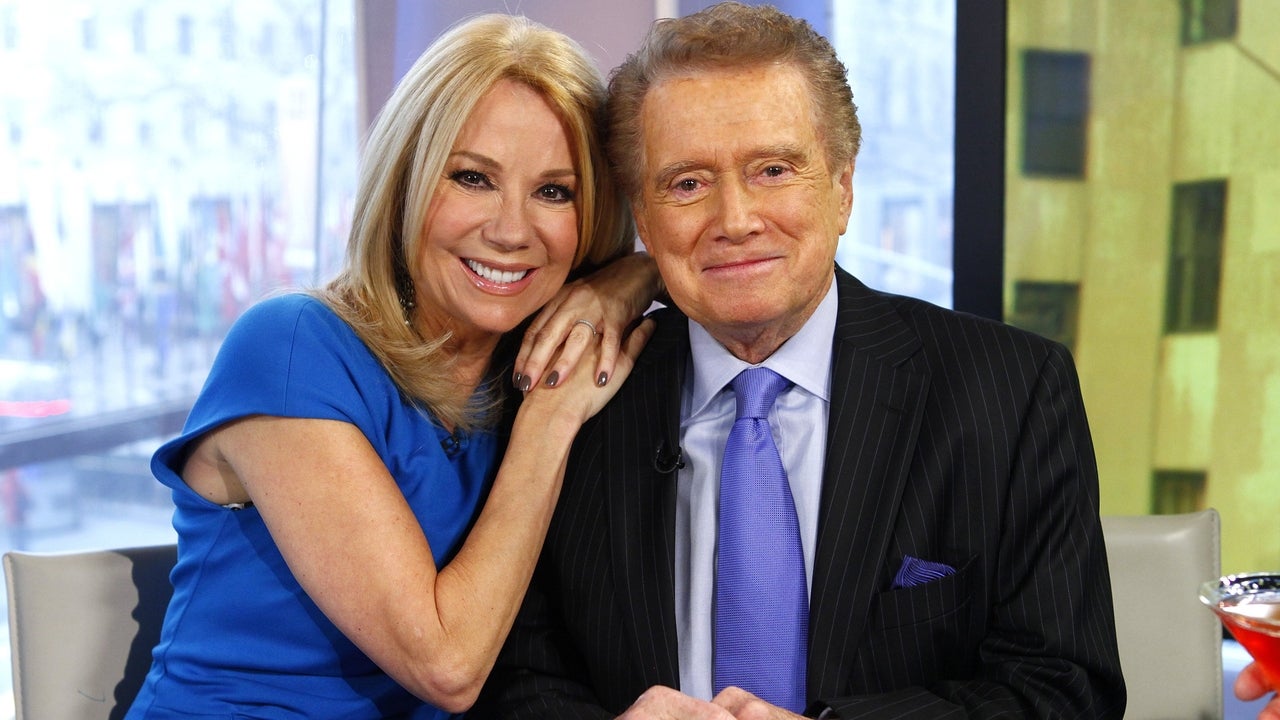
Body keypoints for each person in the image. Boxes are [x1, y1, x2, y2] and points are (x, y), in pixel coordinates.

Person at [473, 3, 1126, 718]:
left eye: (774, 170)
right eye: (687, 183)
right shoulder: (571, 399)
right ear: (644, 220)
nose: (736, 220)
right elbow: (517, 680)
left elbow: (1064, 691)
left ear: (843, 189)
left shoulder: (1011, 392)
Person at [125, 13, 662, 719]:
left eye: (554, 192)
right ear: (404, 183)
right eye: (472, 178)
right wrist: (550, 418)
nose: (510, 230)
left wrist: (630, 278)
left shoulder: (521, 361)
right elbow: (447, 665)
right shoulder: (292, 346)